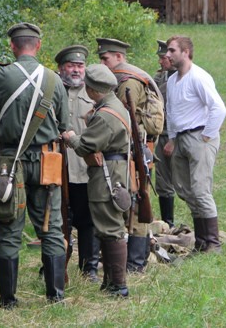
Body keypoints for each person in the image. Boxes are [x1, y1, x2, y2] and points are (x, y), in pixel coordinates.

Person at [0, 22, 69, 307]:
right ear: (38, 46)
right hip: (47, 163)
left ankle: (8, 301)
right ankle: (55, 296)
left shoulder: (2, 74)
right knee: (52, 228)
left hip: (9, 165)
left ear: (13, 46)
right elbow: (66, 124)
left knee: (8, 230)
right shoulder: (54, 80)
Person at [61, 64, 131, 298]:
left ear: (93, 90)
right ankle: (110, 281)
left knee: (110, 227)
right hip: (113, 169)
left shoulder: (105, 116)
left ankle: (118, 285)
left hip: (107, 173)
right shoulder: (114, 106)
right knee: (106, 225)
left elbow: (85, 146)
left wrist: (71, 137)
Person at [96, 37, 162, 273]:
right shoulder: (126, 76)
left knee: (136, 202)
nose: (102, 62)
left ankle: (135, 263)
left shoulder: (127, 82)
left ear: (119, 57)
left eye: (106, 58)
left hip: (134, 152)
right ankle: (133, 260)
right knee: (133, 201)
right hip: (133, 151)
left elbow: (121, 119)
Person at [163, 35, 226, 253]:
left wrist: (208, 135)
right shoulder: (172, 81)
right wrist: (172, 139)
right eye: (167, 51)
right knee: (182, 188)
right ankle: (200, 241)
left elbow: (219, 108)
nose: (167, 54)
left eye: (172, 50)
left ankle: (213, 243)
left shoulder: (199, 77)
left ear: (186, 52)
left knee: (200, 189)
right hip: (180, 138)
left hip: (199, 136)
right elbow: (171, 112)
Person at [54, 45, 100, 282]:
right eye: (71, 65)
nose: (75, 70)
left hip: (84, 168)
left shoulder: (94, 95)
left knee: (87, 220)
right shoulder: (52, 92)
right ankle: (55, 265)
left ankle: (89, 268)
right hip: (56, 169)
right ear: (61, 68)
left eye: (80, 66)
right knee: (57, 221)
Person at [152, 40, 177, 228]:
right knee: (162, 180)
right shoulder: (160, 78)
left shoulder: (183, 79)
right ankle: (168, 222)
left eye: (163, 58)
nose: (161, 62)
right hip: (161, 133)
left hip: (175, 134)